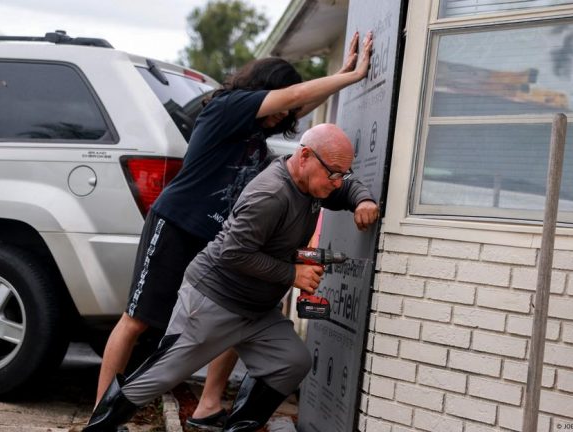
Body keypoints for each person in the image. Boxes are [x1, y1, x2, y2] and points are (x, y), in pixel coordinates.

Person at [94, 31, 375, 428]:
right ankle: (101, 413)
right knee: (138, 320)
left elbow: (297, 106)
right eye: (279, 106)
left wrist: (340, 78)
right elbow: (294, 97)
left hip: (216, 237)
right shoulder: (226, 108)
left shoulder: (257, 133)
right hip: (178, 225)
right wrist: (350, 76)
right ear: (262, 90)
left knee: (232, 311)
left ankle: (208, 405)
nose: (284, 118)